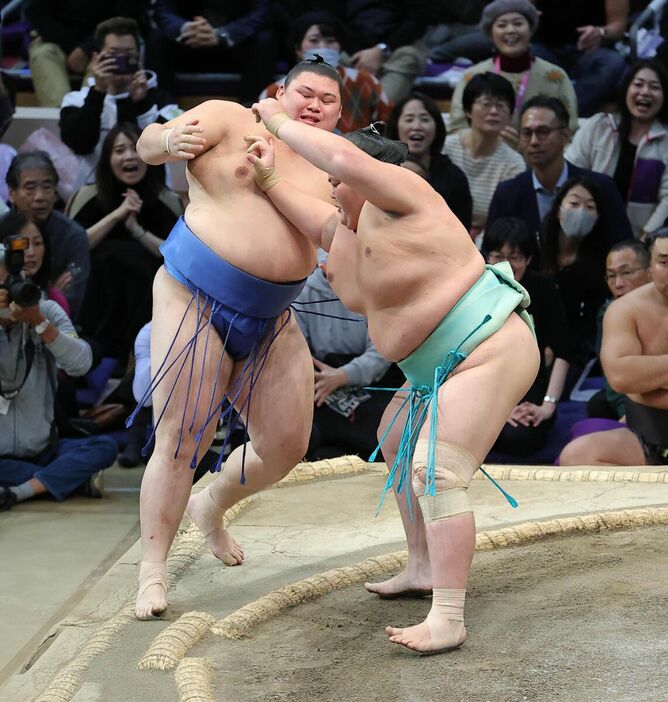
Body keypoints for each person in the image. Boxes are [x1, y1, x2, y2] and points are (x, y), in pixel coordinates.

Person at [247, 104, 539, 654]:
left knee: (437, 469)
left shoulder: (404, 195)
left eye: (338, 181)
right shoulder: (351, 230)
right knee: (394, 438)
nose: (331, 188)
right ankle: (423, 565)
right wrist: (269, 180)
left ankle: (449, 616)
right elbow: (314, 218)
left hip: (488, 347)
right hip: (434, 367)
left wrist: (275, 120)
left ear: (362, 173)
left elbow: (337, 155)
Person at [129, 57, 343, 620]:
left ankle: (213, 503)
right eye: (306, 92)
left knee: (287, 445)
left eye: (329, 99)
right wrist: (167, 137)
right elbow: (148, 143)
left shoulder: (332, 166)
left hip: (272, 317)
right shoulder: (227, 117)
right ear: (280, 92)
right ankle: (152, 571)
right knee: (182, 436)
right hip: (193, 294)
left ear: (341, 112)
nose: (316, 104)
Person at [0, 211, 118, 511]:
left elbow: (81, 363)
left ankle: (20, 491)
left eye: (35, 244)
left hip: (43, 449)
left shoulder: (46, 309)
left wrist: (40, 324)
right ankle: (68, 481)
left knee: (103, 447)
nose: (27, 254)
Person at [66, 122, 183, 361]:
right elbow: (75, 249)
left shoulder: (167, 199)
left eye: (135, 149)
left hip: (148, 302)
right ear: (107, 159)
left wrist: (136, 230)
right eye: (119, 150)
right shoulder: (87, 196)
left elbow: (176, 256)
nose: (129, 156)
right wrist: (117, 215)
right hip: (95, 299)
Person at [559, 229, 668, 466]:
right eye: (664, 262)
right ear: (650, 266)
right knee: (576, 456)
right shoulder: (624, 310)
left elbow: (634, 376)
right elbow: (621, 376)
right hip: (648, 433)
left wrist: (649, 378)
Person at [482, 217, 576, 457]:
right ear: (486, 257)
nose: (506, 265)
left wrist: (548, 405)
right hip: (482, 384)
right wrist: (499, 410)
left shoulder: (544, 289)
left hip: (528, 384)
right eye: (497, 256)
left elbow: (564, 349)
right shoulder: (475, 288)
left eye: (515, 257)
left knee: (520, 438)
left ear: (529, 259)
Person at [487, 95, 634, 247]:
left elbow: (624, 248)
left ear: (565, 136)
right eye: (527, 133)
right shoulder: (507, 193)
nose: (534, 141)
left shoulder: (601, 188)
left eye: (543, 132)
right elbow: (492, 254)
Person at [60, 16, 181, 190]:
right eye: (114, 55)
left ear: (139, 58)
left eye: (129, 55)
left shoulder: (160, 101)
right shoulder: (75, 100)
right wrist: (98, 93)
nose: (121, 62)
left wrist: (140, 104)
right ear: (96, 58)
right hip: (94, 194)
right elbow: (80, 144)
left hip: (151, 195)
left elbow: (170, 147)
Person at [294, 249, 393, 461]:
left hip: (373, 380)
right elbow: (296, 351)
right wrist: (319, 378)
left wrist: (344, 375)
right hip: (320, 379)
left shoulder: (374, 287)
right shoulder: (304, 293)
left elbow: (383, 351)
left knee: (385, 428)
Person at [448, 0, 578, 144]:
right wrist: (486, 137)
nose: (511, 30)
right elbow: (456, 129)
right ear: (491, 33)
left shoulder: (555, 76)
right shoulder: (471, 76)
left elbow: (569, 129)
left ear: (531, 30)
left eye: (518, 24)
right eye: (502, 25)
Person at [565, 59, 668, 239]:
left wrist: (646, 239)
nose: (645, 92)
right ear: (626, 89)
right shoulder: (598, 126)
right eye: (638, 84)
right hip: (585, 234)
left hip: (637, 241)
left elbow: (667, 199)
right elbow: (570, 172)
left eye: (654, 87)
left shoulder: (666, 141)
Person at [259, 11, 393, 134]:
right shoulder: (272, 91)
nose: (322, 47)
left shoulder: (367, 82)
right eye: (314, 40)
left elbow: (387, 124)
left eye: (330, 41)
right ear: (298, 49)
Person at [539, 175, 618, 360]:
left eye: (590, 207)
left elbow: (588, 323)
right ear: (559, 210)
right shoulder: (537, 248)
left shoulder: (601, 264)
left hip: (573, 353)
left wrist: (558, 350)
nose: (581, 212)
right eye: (574, 203)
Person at [6, 152, 90, 320]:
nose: (40, 197)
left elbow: (71, 305)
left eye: (47, 187)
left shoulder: (73, 236)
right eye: (30, 188)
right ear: (12, 193)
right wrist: (52, 293)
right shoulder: (2, 230)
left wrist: (53, 298)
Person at [147, 0, 276, 106]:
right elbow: (162, 10)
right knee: (157, 39)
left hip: (235, 45)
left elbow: (263, 12)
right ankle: (165, 107)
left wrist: (223, 34)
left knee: (264, 40)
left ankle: (252, 105)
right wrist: (185, 28)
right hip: (189, 42)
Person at [444, 72, 525, 236]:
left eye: (501, 105)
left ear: (510, 115)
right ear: (468, 110)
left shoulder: (514, 163)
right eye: (486, 104)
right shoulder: (446, 148)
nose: (494, 111)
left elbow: (504, 219)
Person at [26, 2, 150, 107]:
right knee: (42, 54)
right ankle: (61, 117)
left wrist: (86, 49)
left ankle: (91, 112)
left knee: (108, 59)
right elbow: (39, 15)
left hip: (107, 42)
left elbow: (127, 18)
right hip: (57, 40)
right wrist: (74, 49)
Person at [385, 92, 472, 230]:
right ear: (396, 126)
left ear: (437, 127)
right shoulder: (380, 170)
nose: (417, 126)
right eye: (409, 119)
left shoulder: (454, 178)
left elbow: (461, 230)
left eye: (425, 119)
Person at [587, 239, 652, 420]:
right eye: (611, 275)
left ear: (650, 272)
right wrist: (628, 415)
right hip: (632, 387)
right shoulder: (608, 312)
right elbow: (612, 373)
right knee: (599, 404)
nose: (618, 283)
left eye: (626, 273)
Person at [531, 0, 629, 117]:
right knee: (522, 54)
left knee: (613, 63)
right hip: (545, 48)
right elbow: (521, 7)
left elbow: (618, 24)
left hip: (591, 52)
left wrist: (601, 32)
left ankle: (561, 116)